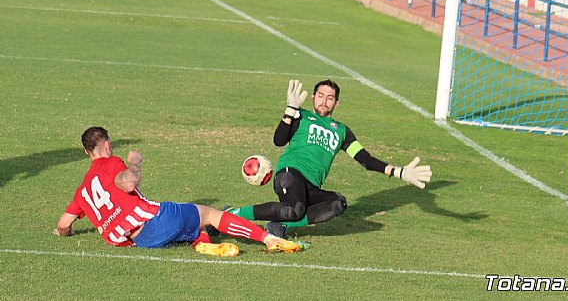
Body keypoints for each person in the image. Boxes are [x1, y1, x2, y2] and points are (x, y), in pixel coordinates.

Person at [225, 80, 433, 238]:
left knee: (337, 203)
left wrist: (400, 172)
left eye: (330, 97)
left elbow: (366, 160)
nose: (324, 101)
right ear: (313, 97)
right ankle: (231, 214)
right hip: (290, 174)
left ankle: (280, 226)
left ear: (337, 102)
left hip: (312, 186)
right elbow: (279, 141)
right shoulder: (301, 116)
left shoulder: (342, 131)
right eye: (321, 96)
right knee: (294, 210)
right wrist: (290, 110)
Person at [53, 126, 300, 256]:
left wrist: (67, 232)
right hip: (155, 222)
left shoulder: (82, 190)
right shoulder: (111, 162)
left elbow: (63, 225)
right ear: (107, 144)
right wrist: (135, 161)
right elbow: (129, 183)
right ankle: (269, 240)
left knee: (195, 225)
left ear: (87, 152)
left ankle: (203, 244)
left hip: (142, 241)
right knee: (209, 214)